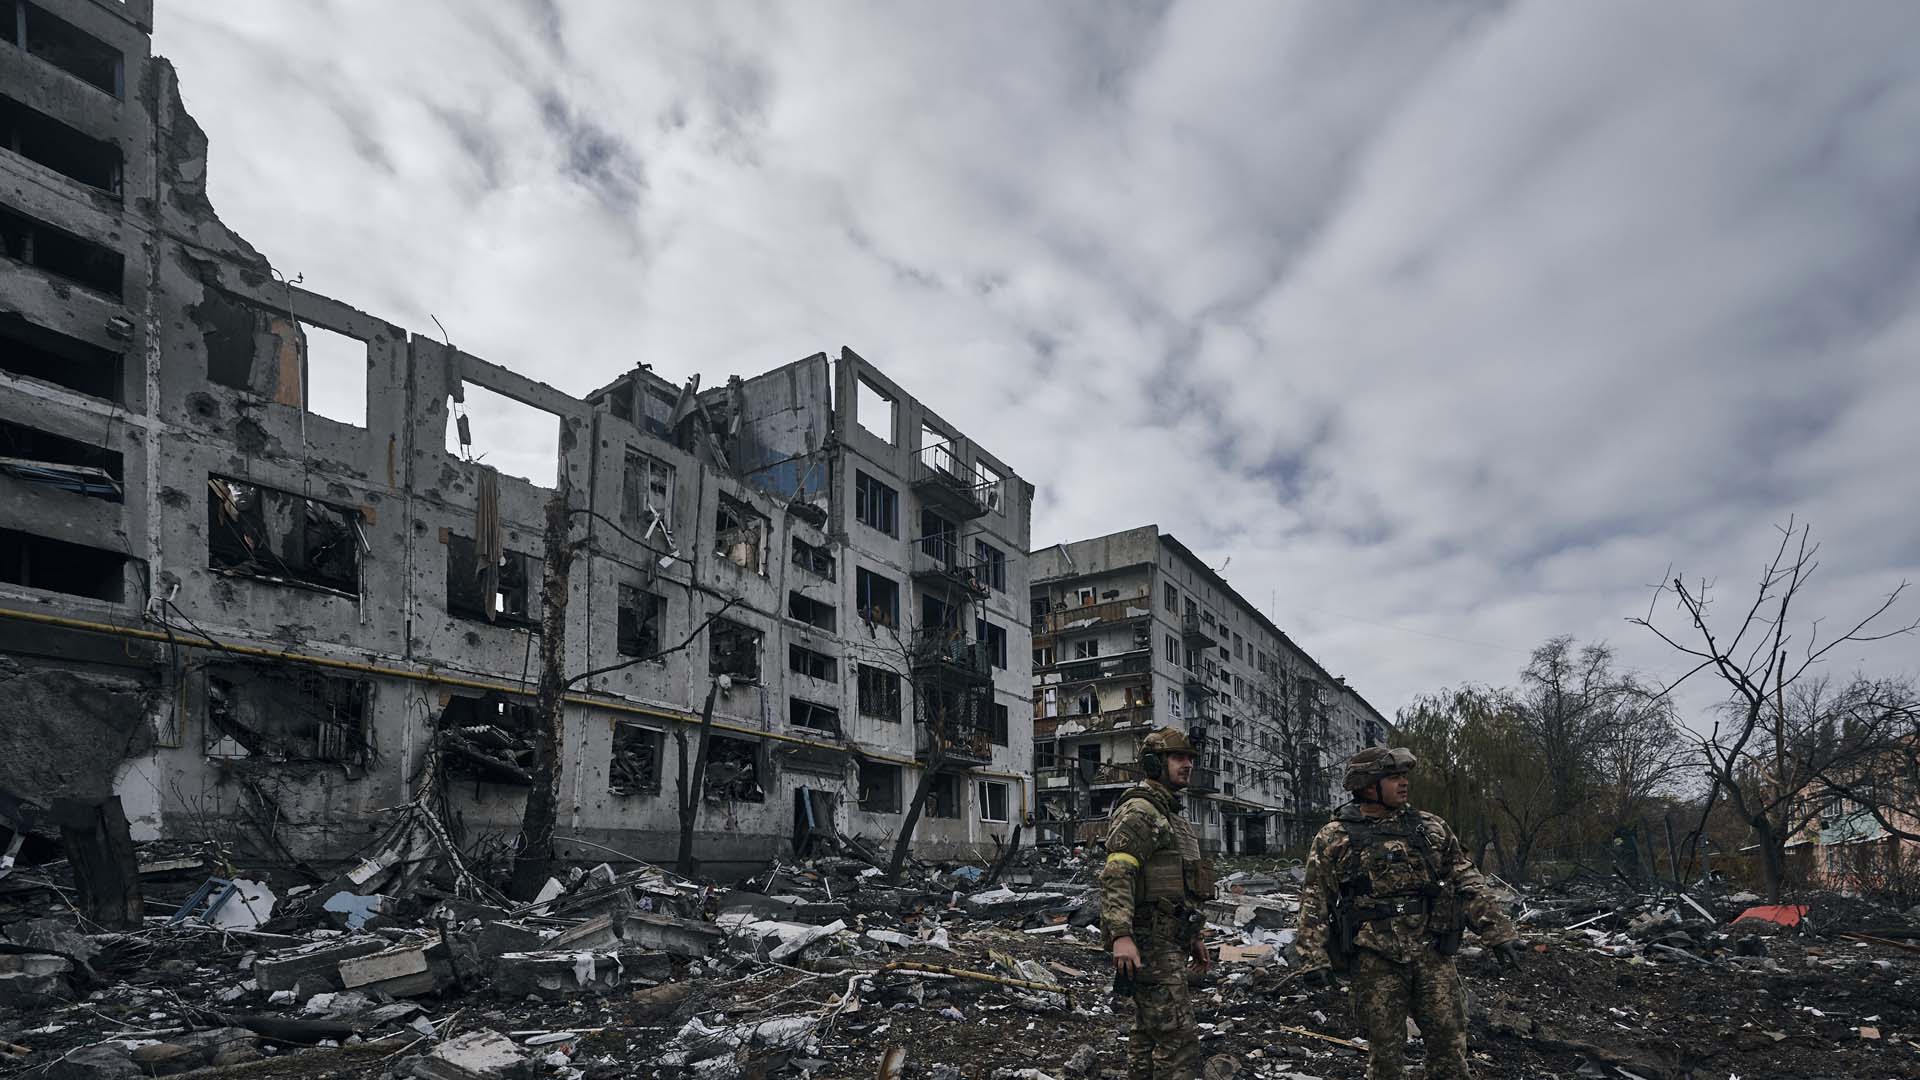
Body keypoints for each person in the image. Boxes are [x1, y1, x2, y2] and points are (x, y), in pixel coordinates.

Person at [1293, 747, 1524, 1080]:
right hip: (1375, 958)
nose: (1403, 784)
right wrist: (1313, 957)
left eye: (1404, 777)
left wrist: (1498, 932)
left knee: (1450, 1047)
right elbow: (1316, 898)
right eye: (1393, 777)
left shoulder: (1430, 829)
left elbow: (1466, 879)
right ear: (1368, 785)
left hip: (1432, 952)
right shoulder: (1335, 836)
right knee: (1386, 1056)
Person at [1099, 727, 1215, 1080]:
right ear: (1154, 763)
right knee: (1178, 1041)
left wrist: (1193, 935)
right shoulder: (1142, 811)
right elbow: (1117, 872)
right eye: (1179, 757)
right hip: (1150, 941)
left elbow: (1179, 886)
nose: (1188, 764)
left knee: (1150, 1032)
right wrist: (1121, 935)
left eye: (1191, 758)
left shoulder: (1169, 814)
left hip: (1169, 939)